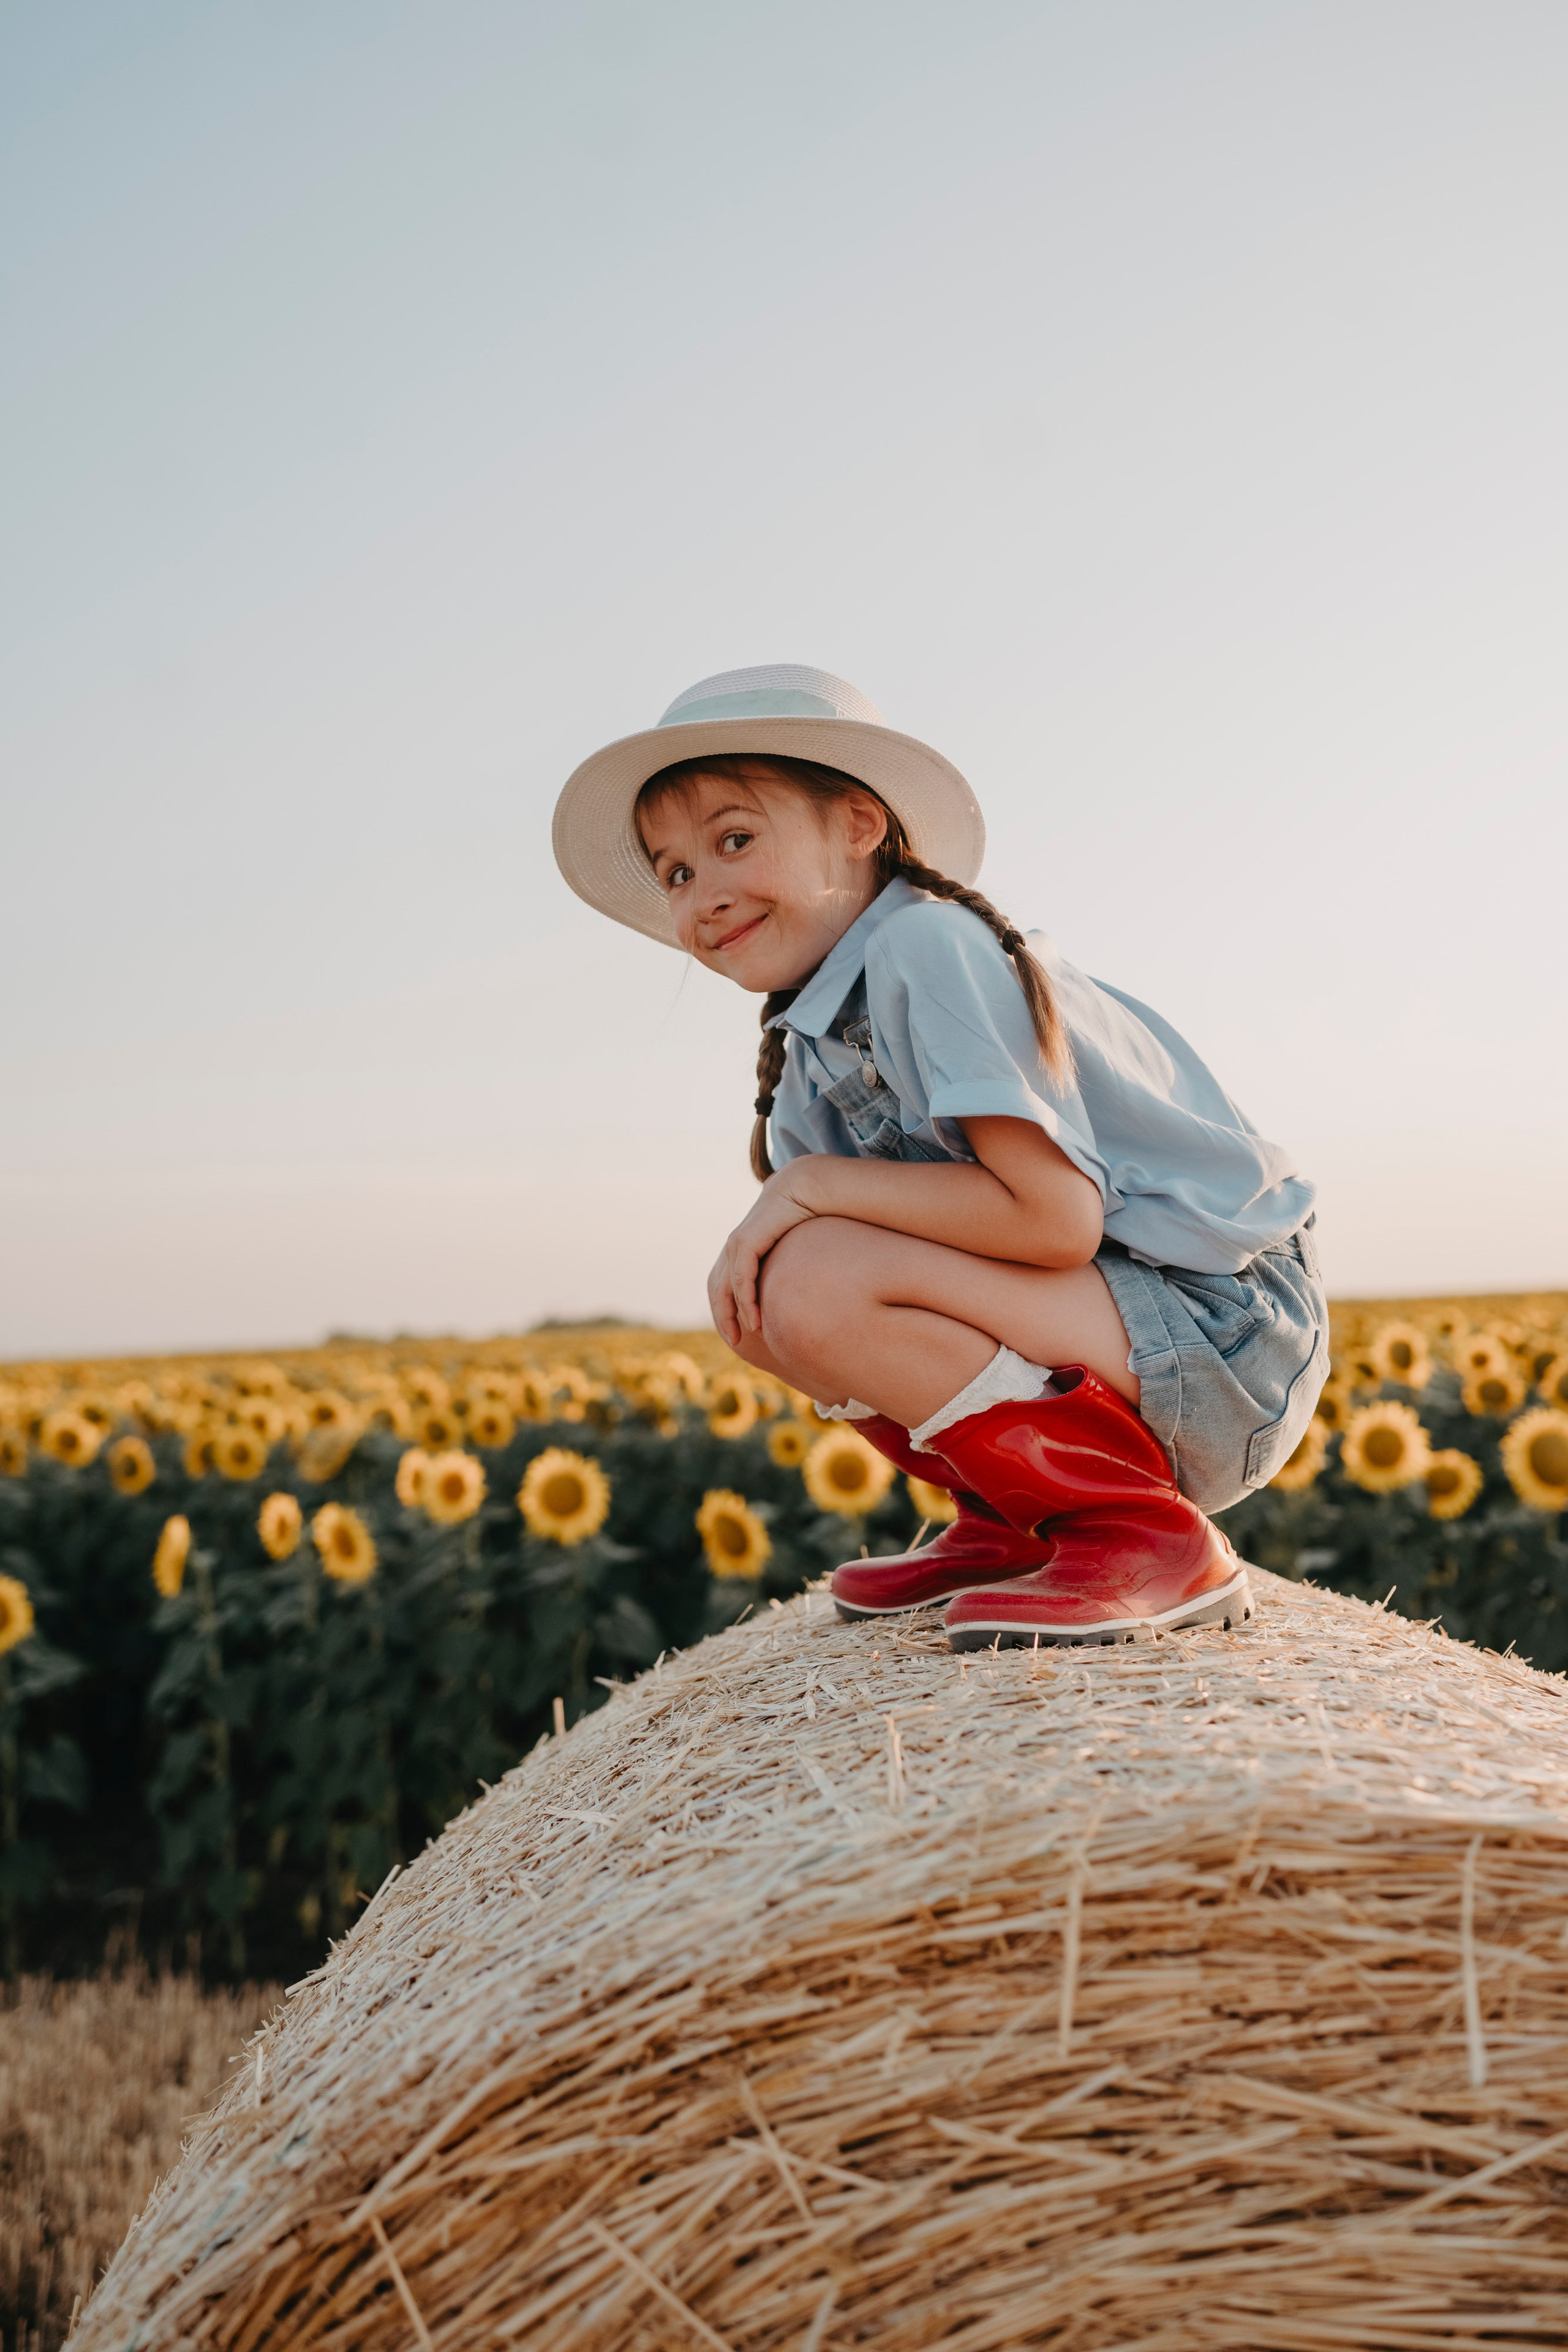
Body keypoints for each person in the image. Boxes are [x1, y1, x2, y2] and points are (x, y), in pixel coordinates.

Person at [553, 664, 1329, 1648]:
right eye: (675, 874)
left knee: (813, 1273)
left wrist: (808, 1187)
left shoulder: (928, 943)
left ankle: (1142, 1533)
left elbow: (1055, 1221)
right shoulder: (808, 1055)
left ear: (860, 825)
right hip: (1125, 1338)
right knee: (769, 1303)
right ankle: (1016, 1515)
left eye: (734, 841)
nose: (703, 895)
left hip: (1228, 1336)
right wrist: (797, 1208)